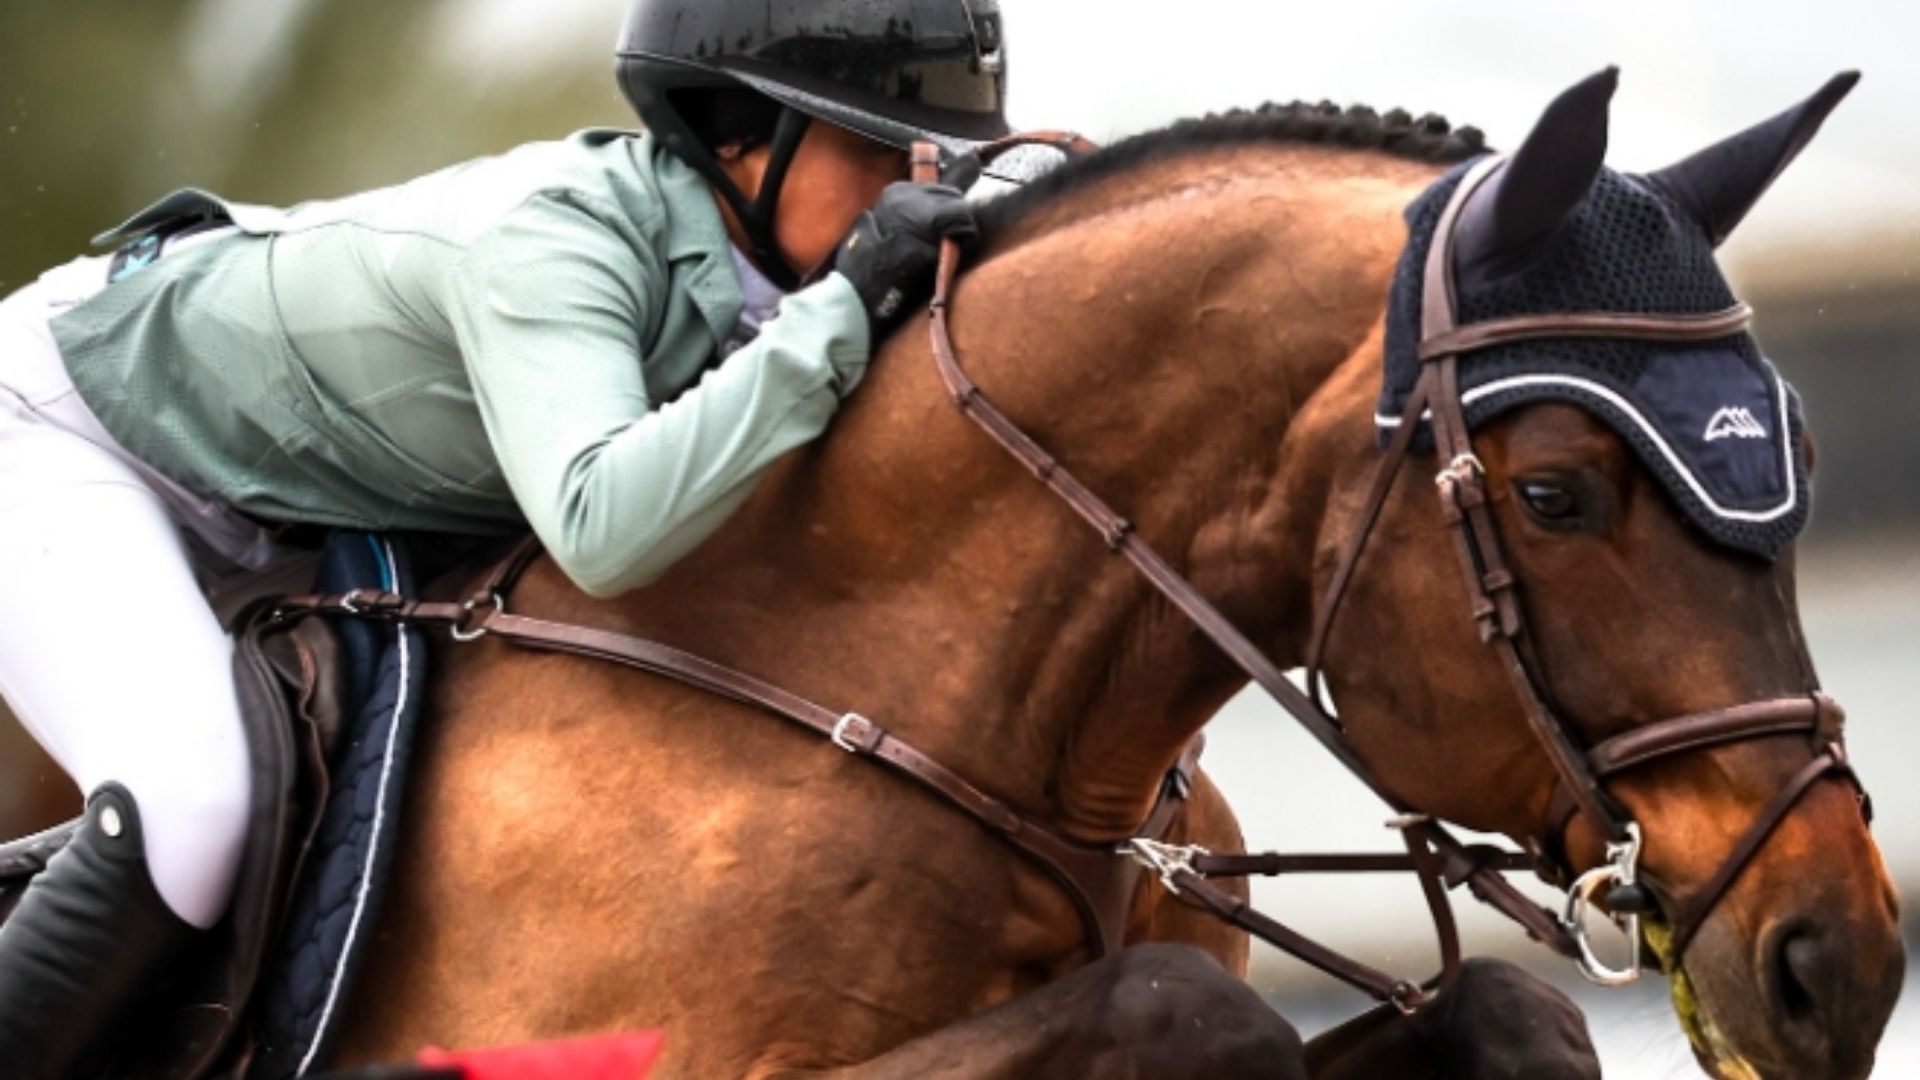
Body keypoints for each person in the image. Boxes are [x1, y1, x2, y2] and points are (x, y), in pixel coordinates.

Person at [0, 1, 1007, 1074]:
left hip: (265, 491)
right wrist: (845, 306)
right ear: (736, 135)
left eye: (932, 159)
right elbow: (602, 529)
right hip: (59, 427)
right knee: (197, 806)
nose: (908, 186)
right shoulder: (557, 239)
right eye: (874, 147)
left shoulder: (768, 282)